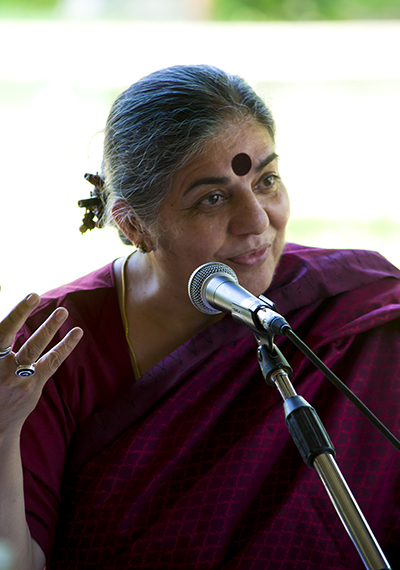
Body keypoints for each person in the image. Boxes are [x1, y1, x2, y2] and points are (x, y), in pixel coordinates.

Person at [0, 64, 399, 570]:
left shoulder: (358, 306)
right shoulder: (51, 349)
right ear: (134, 224)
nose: (257, 221)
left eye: (267, 180)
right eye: (212, 198)